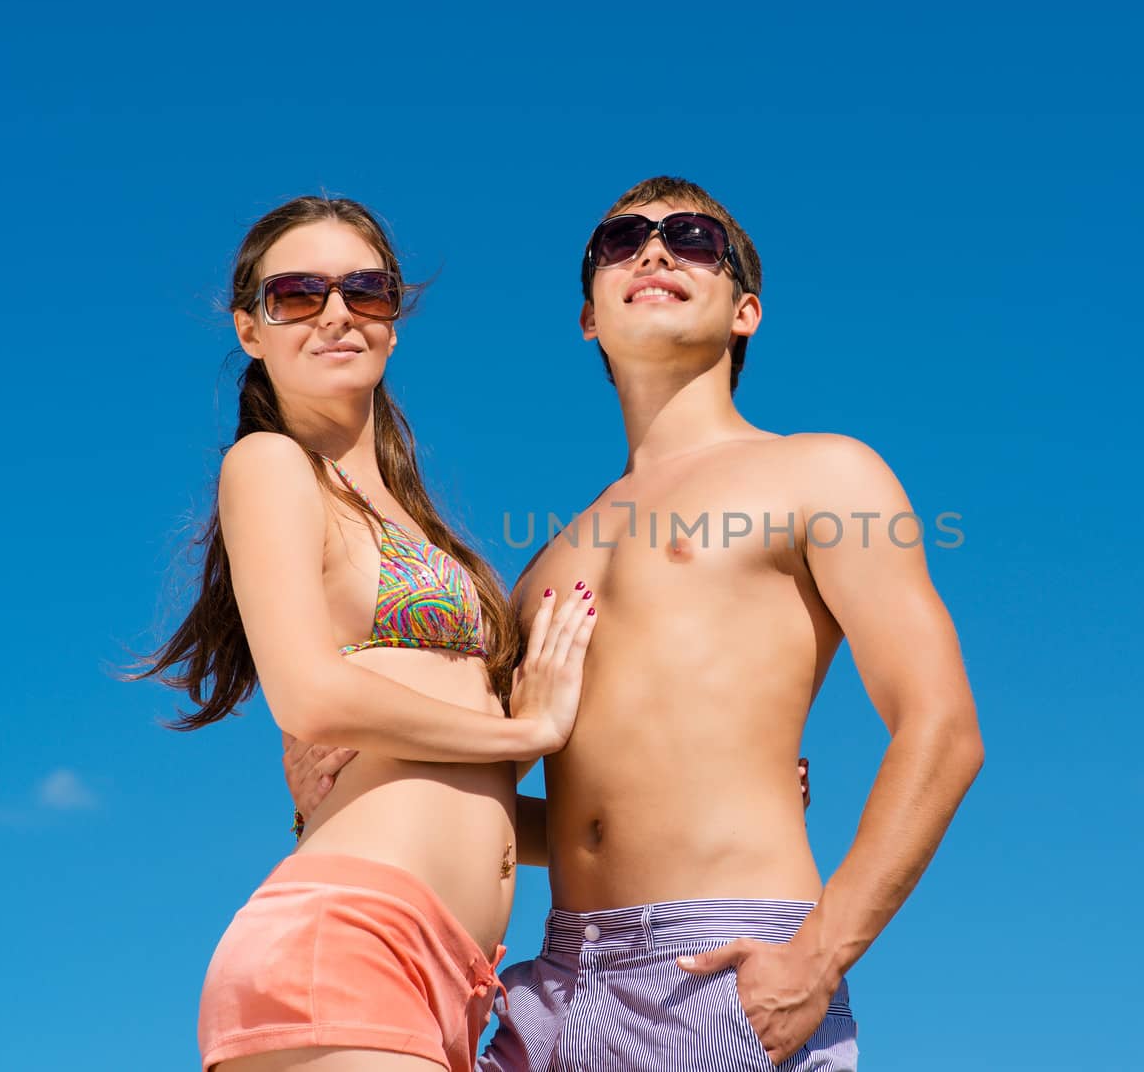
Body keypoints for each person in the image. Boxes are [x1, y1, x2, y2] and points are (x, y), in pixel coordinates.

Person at [290, 176, 983, 1070]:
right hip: (552, 984)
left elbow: (943, 728)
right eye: (620, 242)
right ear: (588, 317)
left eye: (693, 239)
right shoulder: (541, 569)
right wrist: (346, 782)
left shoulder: (824, 476)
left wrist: (819, 955)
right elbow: (496, 803)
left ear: (747, 311)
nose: (653, 251)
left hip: (724, 966)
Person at [138, 195, 598, 1072]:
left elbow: (475, 799)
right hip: (349, 943)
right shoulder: (270, 465)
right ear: (250, 329)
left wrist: (685, 800)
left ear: (395, 320)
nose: (337, 312)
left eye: (367, 289)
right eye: (298, 294)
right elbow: (312, 692)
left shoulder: (423, 527)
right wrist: (524, 731)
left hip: (455, 982)